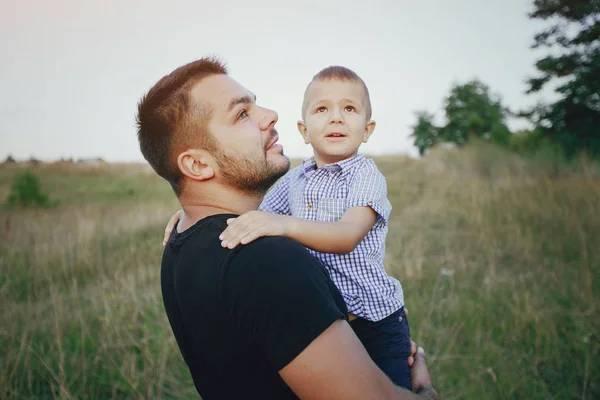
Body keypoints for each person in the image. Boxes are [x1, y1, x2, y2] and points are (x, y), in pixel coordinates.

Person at [138, 56, 438, 399]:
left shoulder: (181, 246)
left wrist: (187, 214)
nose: (270, 115)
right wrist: (426, 391)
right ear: (196, 164)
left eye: (256, 104)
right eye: (241, 114)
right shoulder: (268, 259)